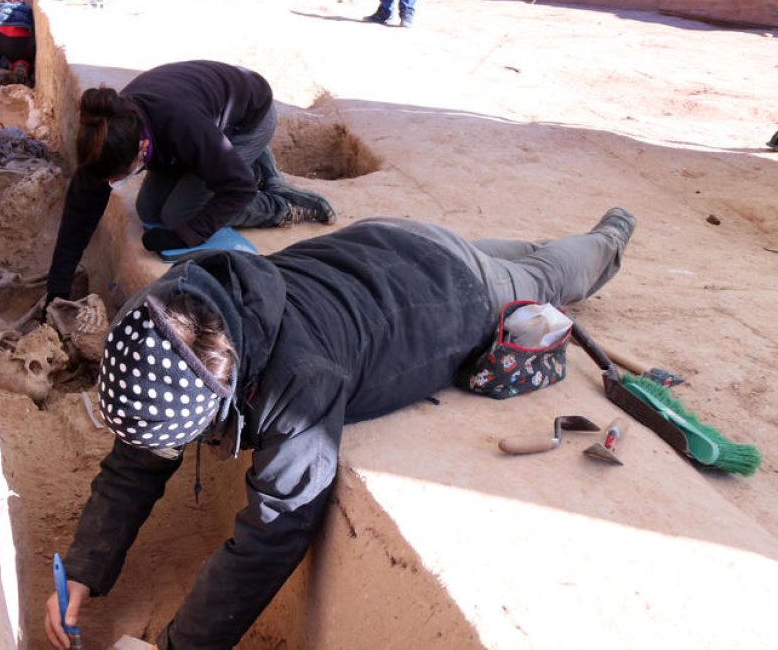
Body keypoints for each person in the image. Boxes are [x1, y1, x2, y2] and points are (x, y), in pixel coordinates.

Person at [44, 208, 637, 649]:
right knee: (519, 255)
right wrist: (83, 572)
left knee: (549, 276)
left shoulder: (303, 382)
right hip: (389, 244)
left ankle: (613, 232)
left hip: (452, 292)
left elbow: (272, 533)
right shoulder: (174, 314)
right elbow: (137, 457)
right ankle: (546, 252)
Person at [45, 60, 337, 306]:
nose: (110, 183)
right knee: (149, 209)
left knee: (178, 215)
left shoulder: (181, 126)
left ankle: (283, 204)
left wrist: (187, 235)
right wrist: (57, 288)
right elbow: (79, 214)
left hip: (249, 121)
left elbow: (238, 188)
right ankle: (245, 162)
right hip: (200, 131)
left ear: (141, 148)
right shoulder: (106, 136)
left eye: (117, 177)